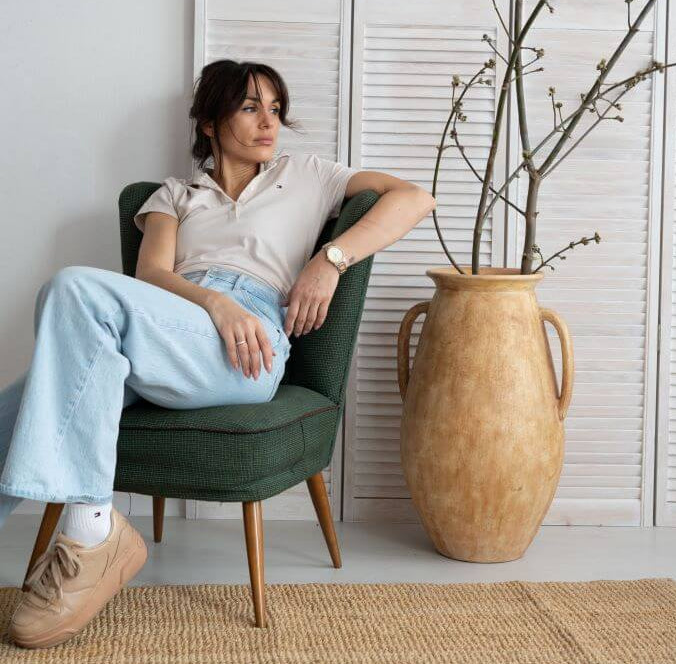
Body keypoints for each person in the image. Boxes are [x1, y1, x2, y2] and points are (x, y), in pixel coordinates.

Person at [0, 59, 436, 648]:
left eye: (276, 109)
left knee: (72, 286)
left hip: (248, 345)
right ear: (210, 120)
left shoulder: (308, 174)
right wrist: (212, 302)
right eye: (250, 107)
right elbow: (152, 273)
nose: (268, 124)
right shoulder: (175, 194)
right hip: (177, 322)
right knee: (25, 397)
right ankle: (95, 530)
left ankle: (89, 533)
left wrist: (328, 261)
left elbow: (414, 198)